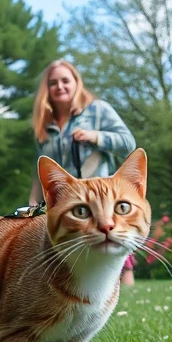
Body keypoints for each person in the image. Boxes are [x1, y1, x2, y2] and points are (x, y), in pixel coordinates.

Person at [27, 59, 138, 285]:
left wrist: (94, 136)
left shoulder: (98, 109)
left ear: (76, 83)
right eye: (53, 82)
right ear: (46, 89)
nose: (60, 86)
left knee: (115, 246)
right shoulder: (44, 124)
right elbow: (40, 167)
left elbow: (128, 143)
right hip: (67, 201)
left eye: (65, 80)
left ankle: (130, 296)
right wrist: (33, 201)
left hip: (102, 197)